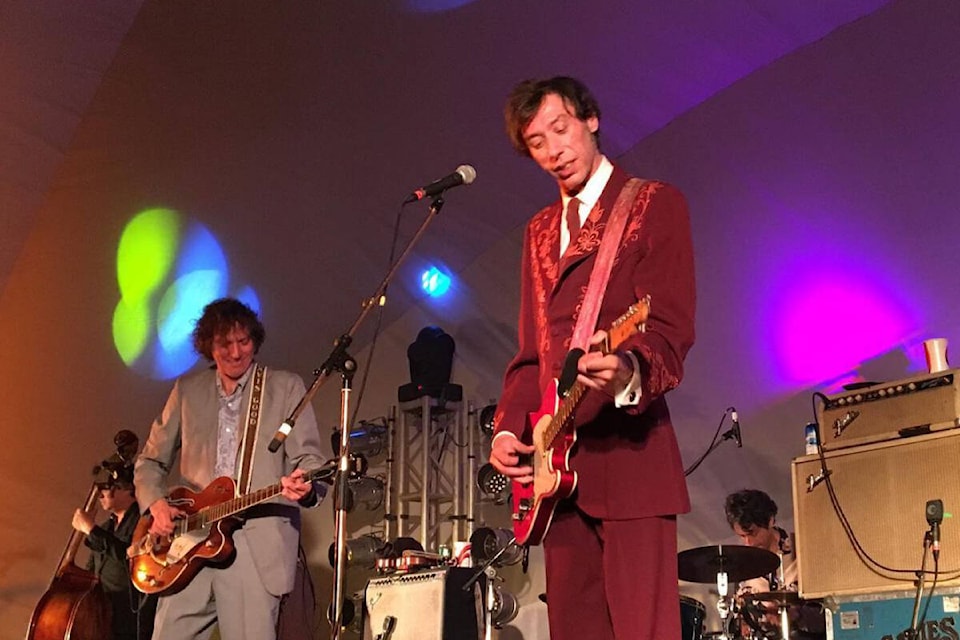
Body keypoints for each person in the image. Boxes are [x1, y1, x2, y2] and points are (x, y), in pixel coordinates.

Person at [489, 76, 696, 640]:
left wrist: (629, 370)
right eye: (536, 142)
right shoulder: (537, 233)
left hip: (630, 456)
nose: (553, 150)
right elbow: (532, 354)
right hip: (555, 475)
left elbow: (671, 327)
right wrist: (509, 430)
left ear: (590, 120)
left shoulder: (653, 203)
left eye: (560, 129)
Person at [134, 298, 326, 640]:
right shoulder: (187, 391)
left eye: (244, 342)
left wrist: (307, 486)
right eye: (225, 344)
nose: (236, 353)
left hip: (253, 543)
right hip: (189, 542)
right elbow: (150, 461)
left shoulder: (285, 387)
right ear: (209, 345)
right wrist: (156, 504)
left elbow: (310, 461)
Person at [724, 489, 826, 640]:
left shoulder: (803, 553)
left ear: (771, 520)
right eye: (742, 536)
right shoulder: (742, 563)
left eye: (752, 533)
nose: (748, 543)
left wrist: (795, 615)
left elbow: (828, 616)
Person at [72, 463, 157, 640]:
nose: (100, 494)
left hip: (128, 617)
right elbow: (92, 571)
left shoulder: (144, 523)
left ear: (127, 489)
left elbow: (131, 557)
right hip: (102, 616)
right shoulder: (106, 528)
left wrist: (91, 529)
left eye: (106, 487)